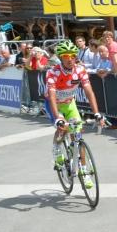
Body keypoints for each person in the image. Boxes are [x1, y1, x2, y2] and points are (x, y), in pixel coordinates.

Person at [45, 41, 105, 189]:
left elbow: (89, 91)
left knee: (77, 135)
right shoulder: (53, 72)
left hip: (69, 103)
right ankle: (56, 148)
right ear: (60, 57)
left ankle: (83, 171)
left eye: (73, 55)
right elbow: (52, 95)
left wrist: (96, 113)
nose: (70, 58)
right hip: (54, 104)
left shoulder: (80, 70)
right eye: (66, 56)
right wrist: (58, 118)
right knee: (63, 128)